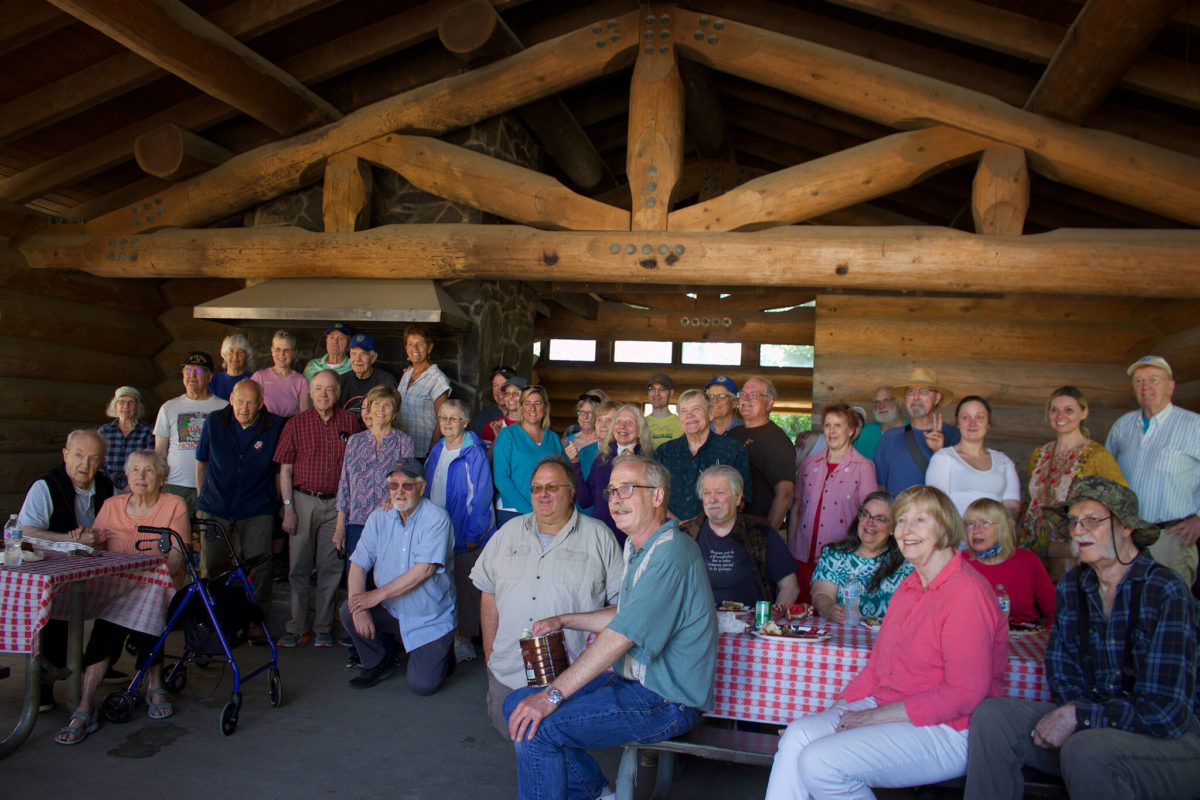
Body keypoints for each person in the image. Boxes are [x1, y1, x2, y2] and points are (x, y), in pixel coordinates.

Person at [765, 484, 1008, 799]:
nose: (907, 529)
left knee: (820, 762)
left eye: (920, 520)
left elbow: (964, 694)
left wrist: (870, 717)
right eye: (902, 520)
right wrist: (833, 714)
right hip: (889, 706)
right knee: (797, 735)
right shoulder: (909, 587)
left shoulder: (966, 592)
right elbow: (877, 667)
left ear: (945, 526)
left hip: (950, 728)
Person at [964, 476, 1200, 800]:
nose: (1077, 531)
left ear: (1126, 527)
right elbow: (1061, 671)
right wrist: (1078, 716)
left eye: (1091, 521)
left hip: (1170, 741)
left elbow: (1166, 711)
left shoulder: (1165, 590)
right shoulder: (1074, 585)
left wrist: (1082, 717)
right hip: (1090, 726)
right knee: (992, 716)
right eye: (1074, 521)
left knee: (1087, 748)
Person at [503, 456, 717, 800]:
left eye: (627, 489)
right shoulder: (637, 545)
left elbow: (621, 635)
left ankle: (595, 792)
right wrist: (564, 619)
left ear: (658, 496)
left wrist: (553, 694)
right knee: (516, 703)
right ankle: (598, 792)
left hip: (668, 700)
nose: (616, 499)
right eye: (612, 490)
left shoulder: (671, 552)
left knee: (539, 726)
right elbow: (626, 613)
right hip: (633, 683)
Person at [470, 457, 623, 738]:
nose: (543, 494)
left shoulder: (599, 537)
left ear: (571, 492)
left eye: (552, 487)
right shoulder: (507, 534)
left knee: (559, 744)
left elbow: (620, 609)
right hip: (508, 674)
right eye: (537, 487)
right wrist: (491, 656)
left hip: (571, 678)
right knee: (515, 737)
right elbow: (488, 591)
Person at [53, 449, 188, 745]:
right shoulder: (112, 505)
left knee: (148, 598)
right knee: (111, 620)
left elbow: (177, 557)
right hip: (116, 585)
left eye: (150, 471)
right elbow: (95, 548)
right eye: (136, 470)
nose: (141, 476)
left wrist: (153, 576)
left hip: (158, 583)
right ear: (126, 475)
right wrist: (85, 540)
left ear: (162, 478)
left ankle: (148, 686)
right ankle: (89, 702)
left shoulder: (173, 504)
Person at [338, 458, 456, 695]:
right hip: (392, 610)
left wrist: (374, 596)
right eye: (394, 485)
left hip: (428, 617)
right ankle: (377, 661)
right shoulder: (379, 517)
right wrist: (359, 608)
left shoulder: (436, 518)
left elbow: (424, 570)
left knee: (422, 686)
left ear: (421, 488)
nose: (399, 492)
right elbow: (358, 563)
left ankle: (443, 651)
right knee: (349, 609)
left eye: (407, 486)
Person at [18, 429, 115, 711]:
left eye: (93, 458)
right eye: (79, 456)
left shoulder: (106, 487)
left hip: (94, 569)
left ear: (102, 461)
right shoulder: (45, 486)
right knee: (53, 606)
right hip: (52, 569)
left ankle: (96, 663)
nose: (85, 464)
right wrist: (69, 540)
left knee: (124, 601)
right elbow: (25, 532)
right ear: (65, 455)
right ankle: (44, 684)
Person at [274, 369, 360, 648]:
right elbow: (285, 470)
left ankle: (323, 627)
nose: (324, 394)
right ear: (310, 393)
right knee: (298, 567)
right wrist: (288, 508)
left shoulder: (350, 422)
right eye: (319, 389)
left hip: (337, 504)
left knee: (330, 567)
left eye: (330, 389)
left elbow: (355, 468)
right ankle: (297, 626)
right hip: (302, 501)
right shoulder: (296, 424)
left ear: (338, 393)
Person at [1105, 355, 1200, 585]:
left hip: (1169, 538)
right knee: (1126, 600)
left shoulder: (1194, 425)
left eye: (1154, 380)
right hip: (1126, 537)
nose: (1145, 386)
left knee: (1170, 601)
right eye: (1139, 381)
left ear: (1171, 387)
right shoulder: (1122, 426)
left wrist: (1199, 518)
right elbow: (1106, 477)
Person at [1021, 386, 1125, 578]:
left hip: (1074, 549)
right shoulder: (1038, 455)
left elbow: (1120, 500)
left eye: (1069, 410)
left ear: (1084, 413)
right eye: (1054, 410)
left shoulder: (1096, 455)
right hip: (1033, 547)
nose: (1060, 415)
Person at [194, 379, 282, 604]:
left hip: (257, 508)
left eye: (251, 403)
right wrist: (201, 499)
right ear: (231, 399)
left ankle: (257, 618)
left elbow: (279, 472)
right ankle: (211, 615)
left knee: (260, 566)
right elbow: (201, 462)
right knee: (211, 566)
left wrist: (275, 504)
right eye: (240, 401)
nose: (244, 408)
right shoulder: (214, 421)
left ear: (260, 404)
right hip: (215, 506)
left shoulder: (274, 426)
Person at [423, 398, 494, 663]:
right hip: (437, 530)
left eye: (454, 418)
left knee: (466, 589)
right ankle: (442, 637)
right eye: (443, 418)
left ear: (465, 422)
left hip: (464, 531)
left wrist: (474, 533)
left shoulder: (473, 451)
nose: (447, 423)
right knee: (441, 585)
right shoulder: (437, 449)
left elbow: (482, 494)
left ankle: (464, 640)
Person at [788, 402, 877, 603]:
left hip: (841, 560)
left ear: (851, 430)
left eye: (838, 425)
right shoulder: (809, 463)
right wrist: (792, 548)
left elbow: (868, 516)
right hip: (802, 557)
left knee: (831, 613)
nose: (832, 431)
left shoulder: (864, 466)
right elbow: (796, 508)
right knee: (799, 613)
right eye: (827, 425)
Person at [689, 465, 798, 607]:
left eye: (720, 493)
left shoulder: (760, 531)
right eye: (706, 493)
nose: (712, 499)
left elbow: (790, 586)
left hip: (751, 619)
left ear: (737, 497)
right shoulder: (687, 534)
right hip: (701, 619)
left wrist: (771, 619)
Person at [335, 384, 415, 565]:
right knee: (356, 575)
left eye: (387, 405)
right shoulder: (355, 441)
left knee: (385, 577)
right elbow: (345, 484)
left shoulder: (404, 441)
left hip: (390, 521)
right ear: (369, 409)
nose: (381, 410)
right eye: (376, 404)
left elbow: (407, 481)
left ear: (395, 413)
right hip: (357, 523)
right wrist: (340, 526)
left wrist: (394, 500)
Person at [810, 491, 913, 623]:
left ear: (892, 528)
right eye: (866, 515)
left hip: (892, 635)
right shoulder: (834, 556)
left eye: (880, 519)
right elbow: (821, 594)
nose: (870, 523)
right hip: (843, 633)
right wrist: (829, 609)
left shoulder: (907, 562)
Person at [653, 388, 750, 525]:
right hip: (671, 530)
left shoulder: (732, 450)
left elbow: (741, 499)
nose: (689, 415)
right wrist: (678, 525)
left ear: (710, 414)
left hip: (717, 531)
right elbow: (652, 496)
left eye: (696, 409)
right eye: (684, 411)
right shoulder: (663, 452)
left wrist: (699, 525)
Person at [153, 351, 228, 519]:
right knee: (173, 533)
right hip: (175, 485)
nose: (192, 375)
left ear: (209, 377)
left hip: (211, 485)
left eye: (199, 371)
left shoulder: (224, 408)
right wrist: (158, 483)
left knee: (209, 534)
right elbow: (160, 451)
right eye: (188, 370)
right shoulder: (168, 407)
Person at [963, 498, 1055, 626]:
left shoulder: (1028, 560)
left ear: (1003, 528)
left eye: (985, 523)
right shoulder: (958, 562)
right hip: (973, 634)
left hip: (1023, 634)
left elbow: (1055, 611)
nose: (976, 530)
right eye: (970, 524)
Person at [570, 403, 652, 545]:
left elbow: (649, 504)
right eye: (619, 422)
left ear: (640, 431)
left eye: (629, 422)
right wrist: (575, 463)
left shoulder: (649, 460)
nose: (623, 427)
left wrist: (631, 464)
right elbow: (585, 501)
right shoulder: (602, 458)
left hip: (632, 539)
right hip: (600, 536)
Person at [925, 395, 1020, 517]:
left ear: (988, 423)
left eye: (979, 417)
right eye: (966, 417)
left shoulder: (1003, 461)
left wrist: (994, 527)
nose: (972, 423)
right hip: (957, 529)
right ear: (957, 422)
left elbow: (1012, 506)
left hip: (995, 529)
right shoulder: (943, 458)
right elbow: (936, 505)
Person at [873, 367, 960, 496]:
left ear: (937, 398)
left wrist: (939, 452)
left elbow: (961, 485)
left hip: (936, 508)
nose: (916, 397)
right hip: (898, 509)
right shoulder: (890, 437)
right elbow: (879, 486)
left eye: (924, 391)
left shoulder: (953, 435)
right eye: (911, 392)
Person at [727, 376, 796, 530]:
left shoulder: (777, 441)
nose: (746, 398)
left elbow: (785, 494)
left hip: (756, 530)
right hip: (731, 528)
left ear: (769, 404)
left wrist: (767, 535)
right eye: (743, 394)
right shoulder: (734, 434)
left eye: (754, 394)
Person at [492, 385, 564, 528]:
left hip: (547, 513)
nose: (532, 408)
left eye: (538, 403)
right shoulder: (507, 435)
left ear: (545, 408)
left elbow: (563, 478)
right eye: (527, 403)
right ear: (521, 407)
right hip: (512, 512)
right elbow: (501, 479)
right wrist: (530, 512)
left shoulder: (553, 438)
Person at [396, 324, 451, 459]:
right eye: (410, 344)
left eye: (420, 344)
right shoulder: (406, 375)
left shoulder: (438, 379)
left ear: (429, 347)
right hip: (400, 448)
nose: (414, 349)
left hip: (422, 452)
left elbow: (442, 420)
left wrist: (431, 454)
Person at [98, 385, 153, 492]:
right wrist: (108, 485)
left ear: (138, 407)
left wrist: (131, 485)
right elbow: (97, 461)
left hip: (136, 487)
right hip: (106, 486)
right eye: (122, 402)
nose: (126, 406)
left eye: (131, 402)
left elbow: (150, 463)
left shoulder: (148, 432)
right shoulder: (104, 431)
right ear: (115, 406)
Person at [251, 329, 310, 419]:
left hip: (290, 424)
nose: (281, 354)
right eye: (277, 349)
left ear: (295, 353)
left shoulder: (301, 381)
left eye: (286, 350)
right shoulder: (259, 377)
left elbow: (305, 415)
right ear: (272, 351)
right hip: (266, 425)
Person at [339, 333, 396, 415]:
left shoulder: (386, 380)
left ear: (373, 358)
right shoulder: (341, 381)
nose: (357, 359)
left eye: (363, 354)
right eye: (354, 354)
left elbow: (391, 413)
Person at [854, 386, 903, 461]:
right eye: (877, 402)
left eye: (886, 400)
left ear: (899, 403)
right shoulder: (865, 431)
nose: (881, 406)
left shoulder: (912, 430)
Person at [470, 365, 516, 437]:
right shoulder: (482, 418)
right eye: (495, 385)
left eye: (504, 385)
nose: (499, 390)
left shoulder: (526, 415)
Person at [483, 376, 526, 450]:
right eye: (507, 393)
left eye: (516, 393)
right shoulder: (492, 426)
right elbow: (486, 457)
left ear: (525, 396)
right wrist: (498, 437)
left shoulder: (534, 425)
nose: (510, 397)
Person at [561, 392, 603, 469]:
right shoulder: (564, 442)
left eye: (590, 412)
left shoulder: (603, 443)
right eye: (582, 412)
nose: (585, 417)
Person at [208, 333, 254, 400]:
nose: (235, 356)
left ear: (247, 356)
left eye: (240, 352)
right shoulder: (213, 380)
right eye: (231, 351)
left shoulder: (254, 379)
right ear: (224, 354)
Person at [644, 372, 683, 447]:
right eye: (652, 389)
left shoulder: (682, 423)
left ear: (671, 393)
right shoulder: (640, 423)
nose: (656, 394)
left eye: (662, 389)